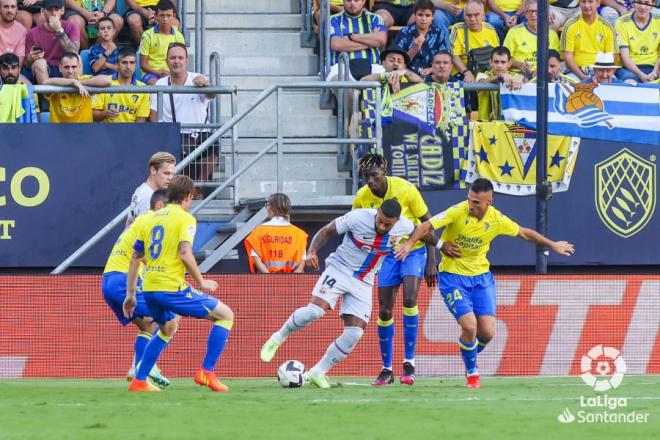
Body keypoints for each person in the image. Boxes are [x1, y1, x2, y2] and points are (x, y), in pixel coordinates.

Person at [395, 178, 575, 388]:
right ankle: (472, 373)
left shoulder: (497, 219)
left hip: (481, 278)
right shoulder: (457, 210)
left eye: (476, 203)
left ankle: (467, 352)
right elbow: (426, 225)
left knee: (488, 333)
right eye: (470, 200)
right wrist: (409, 244)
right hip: (453, 277)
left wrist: (552, 244)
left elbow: (524, 233)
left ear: (489, 201)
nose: (471, 206)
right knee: (470, 326)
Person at [260, 199, 432, 388]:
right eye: (380, 220)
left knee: (355, 333)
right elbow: (326, 231)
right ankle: (277, 338)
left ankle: (317, 372)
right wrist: (312, 252)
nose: (382, 226)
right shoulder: (358, 218)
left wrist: (423, 244)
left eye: (387, 224)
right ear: (377, 214)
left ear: (396, 221)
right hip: (339, 269)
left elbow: (424, 229)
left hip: (364, 281)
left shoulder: (404, 225)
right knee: (315, 311)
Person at [124, 175, 235, 393]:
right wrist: (201, 281)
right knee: (225, 315)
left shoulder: (150, 218)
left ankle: (139, 380)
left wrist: (131, 293)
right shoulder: (185, 218)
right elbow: (185, 253)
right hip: (170, 287)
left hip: (149, 288)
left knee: (168, 327)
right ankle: (207, 372)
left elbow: (136, 256)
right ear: (187, 196)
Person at [351, 154, 439, 386]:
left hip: (414, 251)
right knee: (385, 310)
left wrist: (432, 259)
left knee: (410, 299)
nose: (370, 181)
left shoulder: (406, 189)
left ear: (384, 172)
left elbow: (427, 223)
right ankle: (386, 369)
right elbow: (355, 226)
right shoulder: (362, 197)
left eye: (374, 175)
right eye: (366, 177)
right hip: (385, 256)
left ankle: (409, 364)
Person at [102, 189, 171, 386]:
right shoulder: (152, 221)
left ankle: (138, 369)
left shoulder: (140, 221)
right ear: (159, 206)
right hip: (123, 278)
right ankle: (147, 367)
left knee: (148, 324)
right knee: (169, 316)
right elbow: (143, 257)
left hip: (109, 279)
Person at [149, 43, 218, 185]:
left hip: (199, 133)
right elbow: (154, 113)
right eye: (173, 57)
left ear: (186, 60)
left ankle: (199, 185)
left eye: (180, 57)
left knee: (213, 146)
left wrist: (206, 85)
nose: (176, 61)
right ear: (166, 60)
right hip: (172, 134)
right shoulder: (160, 84)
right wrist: (158, 135)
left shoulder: (197, 78)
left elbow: (212, 95)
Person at [244, 193, 308, 274]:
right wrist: (292, 282)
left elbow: (257, 261)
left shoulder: (259, 231)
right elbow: (301, 263)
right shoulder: (300, 234)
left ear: (271, 208)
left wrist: (270, 279)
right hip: (293, 283)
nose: (266, 208)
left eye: (266, 205)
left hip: (266, 283)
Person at [326, 0, 387, 81]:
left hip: (373, 65)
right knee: (342, 83)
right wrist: (371, 41)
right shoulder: (333, 19)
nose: (352, 3)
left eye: (356, 0)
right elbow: (336, 44)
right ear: (343, 1)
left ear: (363, 1)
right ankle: (354, 93)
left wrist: (352, 37)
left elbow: (381, 40)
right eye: (348, 0)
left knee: (383, 80)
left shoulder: (375, 18)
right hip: (341, 66)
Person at [360, 45, 423, 123]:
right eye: (391, 60)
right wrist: (386, 76)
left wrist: (406, 72)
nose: (395, 63)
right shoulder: (378, 78)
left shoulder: (408, 80)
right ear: (383, 63)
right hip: (377, 125)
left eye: (399, 61)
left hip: (403, 125)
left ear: (404, 66)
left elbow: (422, 83)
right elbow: (362, 81)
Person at [42, 51, 111, 122]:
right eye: (66, 67)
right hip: (59, 131)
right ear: (60, 68)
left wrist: (79, 82)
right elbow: (44, 83)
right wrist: (73, 82)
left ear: (79, 67)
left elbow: (107, 81)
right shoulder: (56, 83)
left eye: (74, 67)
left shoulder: (86, 80)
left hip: (83, 131)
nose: (70, 71)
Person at [23, 0, 79, 84]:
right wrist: (31, 58)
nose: (53, 13)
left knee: (79, 59)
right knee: (39, 62)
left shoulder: (71, 27)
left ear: (62, 11)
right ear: (42, 11)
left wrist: (59, 30)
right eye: (50, 10)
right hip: (45, 69)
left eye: (57, 9)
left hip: (65, 66)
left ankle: (76, 95)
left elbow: (74, 52)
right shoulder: (32, 33)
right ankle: (47, 96)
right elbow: (26, 65)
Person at [560, 0, 616, 81]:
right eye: (583, 2)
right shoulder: (570, 25)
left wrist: (600, 74)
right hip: (576, 72)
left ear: (598, 3)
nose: (586, 5)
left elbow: (611, 56)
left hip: (600, 71)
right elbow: (567, 56)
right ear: (579, 3)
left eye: (590, 2)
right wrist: (582, 77)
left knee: (614, 85)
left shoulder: (607, 27)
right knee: (568, 84)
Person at [503, 0, 560, 79]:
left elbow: (555, 60)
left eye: (537, 11)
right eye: (530, 11)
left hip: (545, 74)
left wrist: (541, 69)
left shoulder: (552, 34)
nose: (533, 15)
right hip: (520, 73)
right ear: (525, 14)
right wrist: (519, 64)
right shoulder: (514, 32)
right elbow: (505, 58)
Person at [93, 47, 151, 123]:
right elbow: (93, 115)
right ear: (117, 65)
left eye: (132, 62)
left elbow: (141, 121)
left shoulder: (143, 88)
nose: (128, 67)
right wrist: (105, 114)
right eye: (124, 62)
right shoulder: (104, 83)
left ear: (136, 66)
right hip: (106, 132)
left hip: (131, 132)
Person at [449, 0, 500, 83]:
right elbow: (454, 56)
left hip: (485, 72)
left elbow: (497, 54)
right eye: (469, 15)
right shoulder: (458, 29)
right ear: (464, 16)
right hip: (463, 72)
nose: (472, 19)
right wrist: (467, 73)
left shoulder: (490, 29)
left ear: (483, 14)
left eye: (476, 15)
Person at [394, 0, 448, 75]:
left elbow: (445, 59)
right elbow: (399, 63)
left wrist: (431, 69)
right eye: (420, 15)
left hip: (433, 76)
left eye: (427, 15)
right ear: (414, 15)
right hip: (408, 75)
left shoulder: (439, 33)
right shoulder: (404, 32)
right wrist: (415, 47)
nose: (423, 19)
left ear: (433, 17)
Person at [138, 0, 184, 85]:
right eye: (162, 15)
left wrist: (172, 72)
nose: (165, 19)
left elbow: (183, 60)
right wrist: (158, 72)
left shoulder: (179, 36)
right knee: (156, 84)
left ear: (174, 16)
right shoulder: (147, 35)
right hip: (151, 74)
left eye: (168, 15)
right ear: (156, 16)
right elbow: (143, 64)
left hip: (172, 73)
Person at [614, 0, 660, 83]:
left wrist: (655, 72)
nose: (642, 7)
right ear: (634, 3)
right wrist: (641, 75)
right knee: (630, 83)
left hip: (654, 67)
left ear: (652, 5)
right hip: (630, 69)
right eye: (639, 2)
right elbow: (625, 57)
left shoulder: (659, 21)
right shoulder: (622, 23)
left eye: (646, 3)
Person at [127, 151, 176, 227]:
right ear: (153, 170)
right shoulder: (148, 197)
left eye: (172, 174)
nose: (170, 178)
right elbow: (147, 232)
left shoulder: (140, 190)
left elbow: (129, 222)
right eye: (166, 173)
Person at [476, 46, 524, 120]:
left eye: (503, 62)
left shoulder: (515, 76)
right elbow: (480, 83)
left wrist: (522, 77)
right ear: (490, 62)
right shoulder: (482, 75)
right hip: (485, 125)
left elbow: (528, 83)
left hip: (509, 125)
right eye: (496, 62)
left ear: (509, 63)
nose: (499, 65)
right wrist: (500, 77)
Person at [0, 0, 27, 67]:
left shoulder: (22, 30)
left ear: (17, 10)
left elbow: (19, 60)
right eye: (6, 7)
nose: (9, 10)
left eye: (12, 7)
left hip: (13, 71)